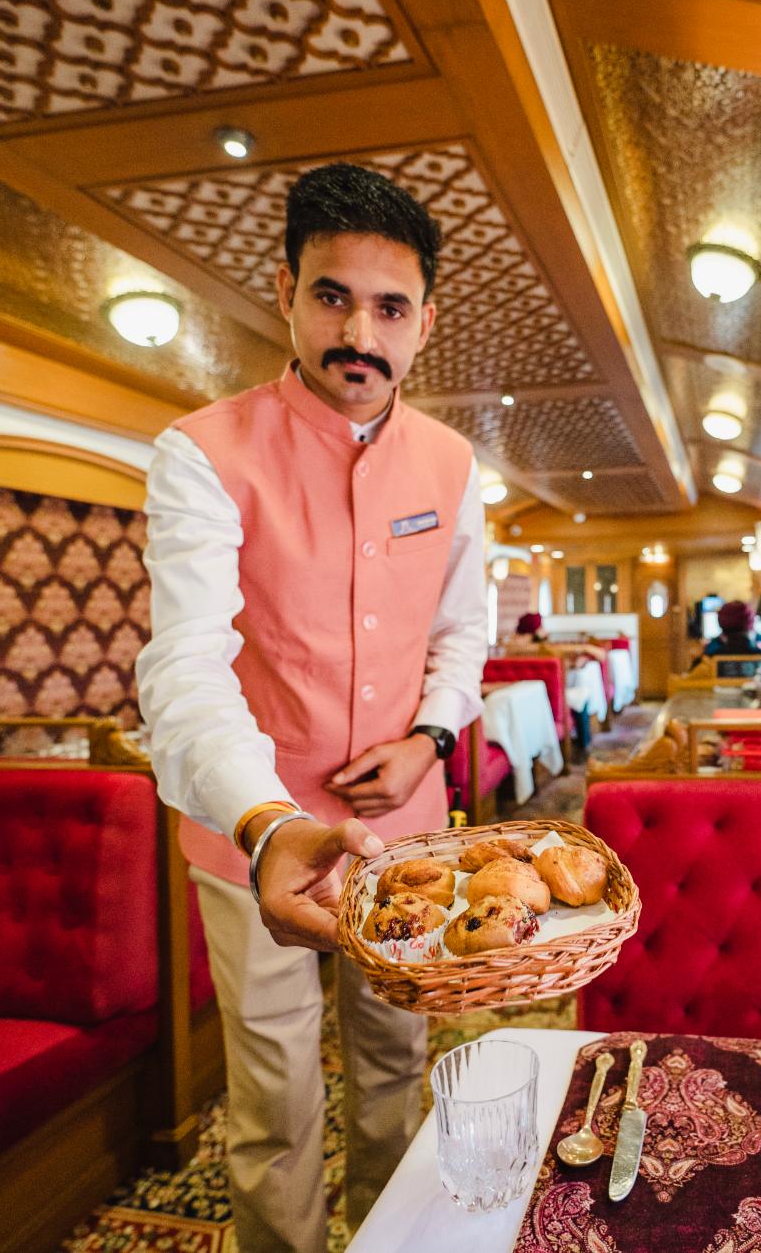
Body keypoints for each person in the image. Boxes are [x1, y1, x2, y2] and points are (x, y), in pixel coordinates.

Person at [136, 162, 485, 1253]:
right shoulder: (201, 452)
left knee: (395, 1068)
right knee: (274, 1096)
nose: (358, 333)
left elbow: (463, 632)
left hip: (404, 836)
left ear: (424, 321)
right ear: (285, 289)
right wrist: (268, 819)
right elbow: (183, 666)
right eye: (332, 295)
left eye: (388, 308)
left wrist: (428, 734)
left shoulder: (456, 463)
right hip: (254, 836)